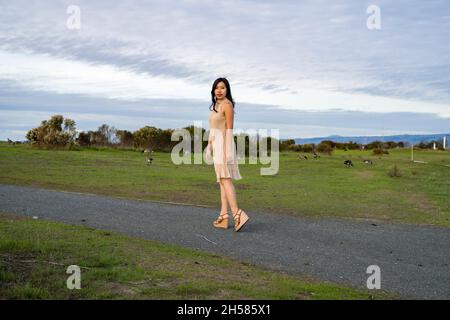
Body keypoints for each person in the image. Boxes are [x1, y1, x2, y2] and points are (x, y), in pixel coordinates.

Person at [206, 77, 249, 232]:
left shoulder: (227, 105)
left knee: (226, 180)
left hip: (225, 146)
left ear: (227, 90)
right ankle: (224, 217)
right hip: (216, 146)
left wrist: (227, 151)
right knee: (222, 182)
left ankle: (238, 214)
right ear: (213, 90)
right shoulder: (215, 107)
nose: (219, 90)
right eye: (217, 88)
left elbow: (229, 130)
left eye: (222, 87)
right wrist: (209, 146)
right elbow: (213, 128)